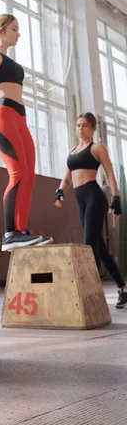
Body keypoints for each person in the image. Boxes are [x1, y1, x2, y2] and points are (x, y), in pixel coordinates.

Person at [0, 14, 52, 251]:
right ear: (1, 30)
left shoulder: (10, 61)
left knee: (30, 176)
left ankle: (21, 231)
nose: (18, 34)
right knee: (17, 174)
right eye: (14, 29)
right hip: (3, 115)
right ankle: (9, 233)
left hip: (21, 118)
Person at [55, 112, 127, 308]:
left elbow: (110, 172)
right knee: (100, 248)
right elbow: (67, 177)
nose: (80, 128)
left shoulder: (97, 148)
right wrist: (60, 191)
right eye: (78, 125)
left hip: (94, 197)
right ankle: (123, 288)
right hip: (80, 200)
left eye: (85, 125)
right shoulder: (73, 151)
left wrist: (117, 198)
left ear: (93, 129)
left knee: (89, 245)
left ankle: (92, 293)